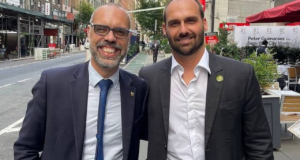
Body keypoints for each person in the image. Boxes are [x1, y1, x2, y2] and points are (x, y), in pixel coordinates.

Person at [139, 0, 274, 159]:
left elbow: (259, 143)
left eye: (190, 20)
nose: (183, 30)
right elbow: (145, 131)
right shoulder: (148, 78)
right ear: (164, 29)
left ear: (204, 23)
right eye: (174, 23)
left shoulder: (240, 75)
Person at [14, 3, 148, 160]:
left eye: (120, 32)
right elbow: (25, 149)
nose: (110, 38)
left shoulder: (139, 88)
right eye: (101, 29)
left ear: (128, 38)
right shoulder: (52, 83)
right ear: (89, 33)